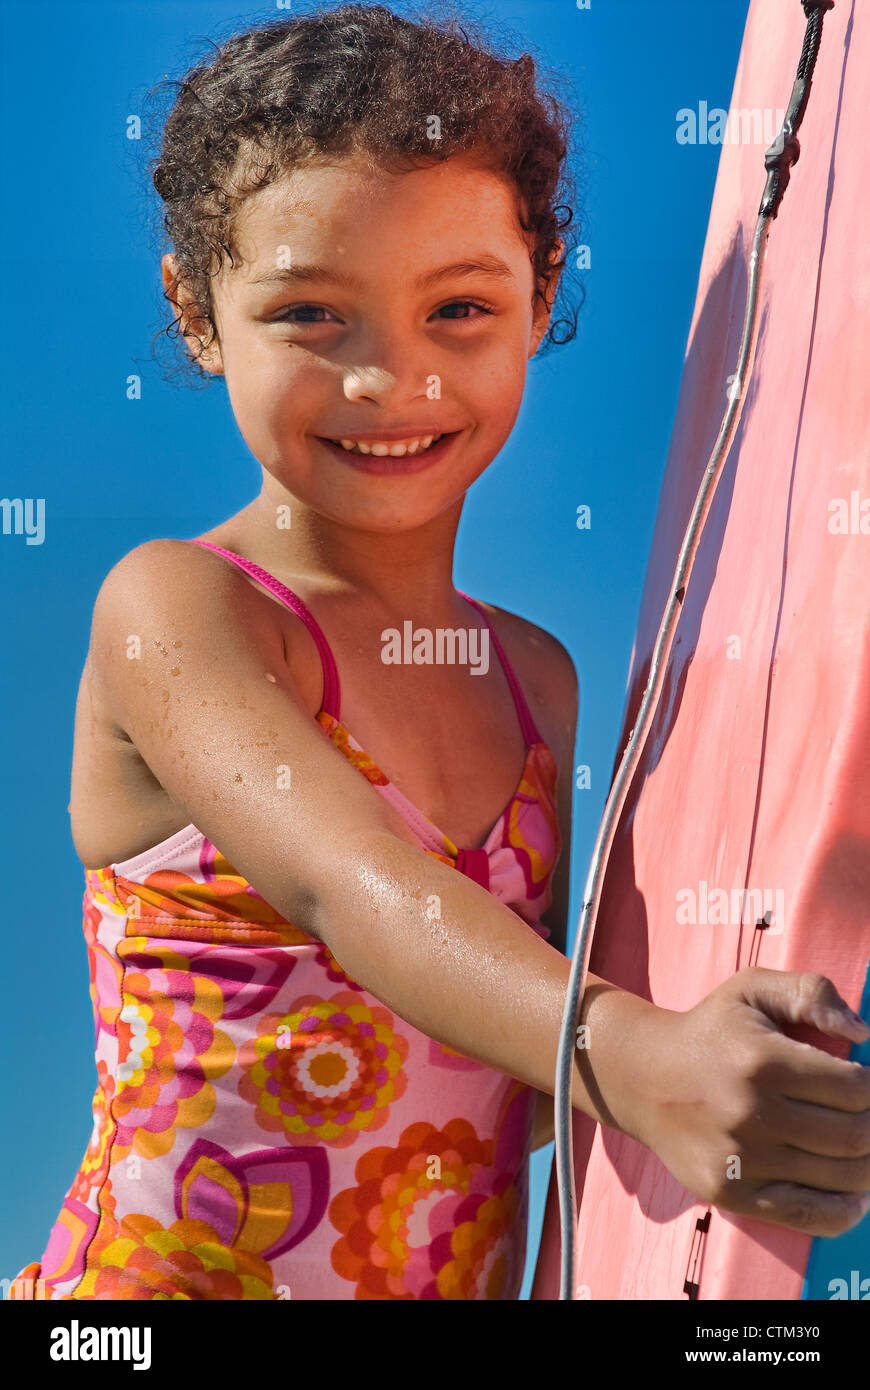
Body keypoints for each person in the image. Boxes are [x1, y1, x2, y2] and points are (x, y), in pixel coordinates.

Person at [12, 2, 869, 1301]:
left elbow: (514, 1074)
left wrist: (706, 1066)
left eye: (458, 306)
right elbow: (350, 891)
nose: (387, 381)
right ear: (197, 309)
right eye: (309, 313)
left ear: (539, 294)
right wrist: (631, 1053)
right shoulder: (184, 609)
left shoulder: (536, 684)